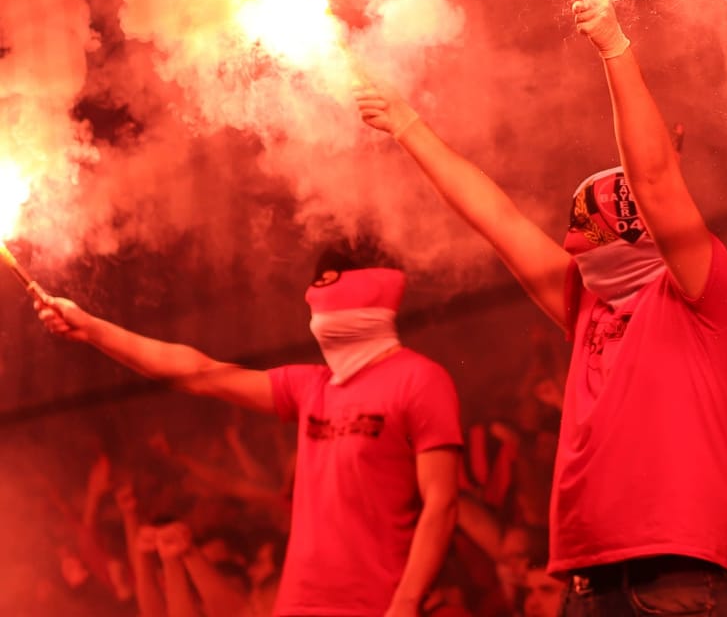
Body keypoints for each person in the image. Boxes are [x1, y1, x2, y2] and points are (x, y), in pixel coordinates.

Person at [355, 0, 727, 616]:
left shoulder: (703, 295)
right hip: (586, 584)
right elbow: (498, 220)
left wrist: (614, 47)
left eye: (602, 225)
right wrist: (406, 124)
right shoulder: (587, 301)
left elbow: (653, 177)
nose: (585, 239)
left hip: (678, 581)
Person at [37, 247, 462, 616]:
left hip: (377, 606)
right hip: (296, 605)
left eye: (328, 290)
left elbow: (441, 503)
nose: (315, 310)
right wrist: (91, 328)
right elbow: (198, 373)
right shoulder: (312, 387)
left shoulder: (420, 380)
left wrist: (405, 604)